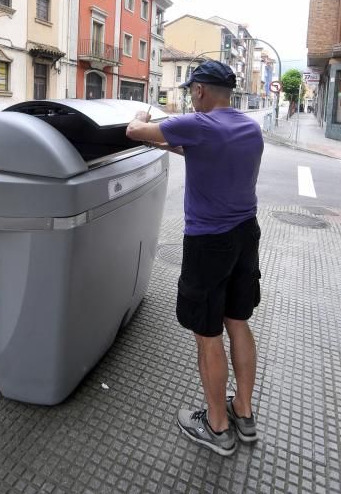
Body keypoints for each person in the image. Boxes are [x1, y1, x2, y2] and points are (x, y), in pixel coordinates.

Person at [126, 60, 264, 457]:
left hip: (209, 243)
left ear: (200, 91)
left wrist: (139, 115)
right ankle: (244, 412)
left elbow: (135, 131)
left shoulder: (199, 124)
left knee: (208, 334)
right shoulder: (248, 127)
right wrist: (164, 141)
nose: (190, 96)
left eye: (191, 91)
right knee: (238, 322)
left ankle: (217, 427)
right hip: (246, 235)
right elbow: (193, 149)